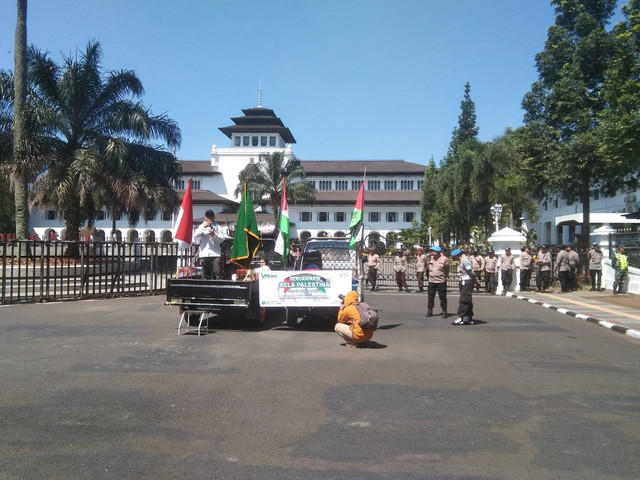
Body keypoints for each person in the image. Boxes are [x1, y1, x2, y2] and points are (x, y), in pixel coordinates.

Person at [451, 248, 478, 325]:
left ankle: (461, 317)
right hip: (465, 281)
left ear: (458, 255)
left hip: (467, 282)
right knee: (468, 300)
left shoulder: (465, 261)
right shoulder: (462, 261)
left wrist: (476, 282)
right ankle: (469, 317)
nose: (454, 259)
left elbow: (471, 273)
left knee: (464, 300)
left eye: (454, 257)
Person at [194, 210, 224, 279]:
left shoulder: (218, 227)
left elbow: (221, 240)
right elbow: (195, 235)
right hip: (204, 253)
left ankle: (218, 287)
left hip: (215, 253)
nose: (209, 218)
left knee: (217, 273)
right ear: (205, 218)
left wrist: (214, 235)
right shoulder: (201, 226)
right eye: (207, 217)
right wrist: (203, 228)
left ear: (214, 217)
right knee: (205, 274)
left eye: (211, 216)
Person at [426, 246, 450, 318]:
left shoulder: (444, 259)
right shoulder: (430, 258)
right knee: (430, 296)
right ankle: (430, 310)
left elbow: (447, 269)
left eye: (432, 251)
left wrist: (445, 276)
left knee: (442, 297)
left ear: (437, 252)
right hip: (432, 280)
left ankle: (444, 310)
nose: (431, 252)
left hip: (441, 280)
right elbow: (427, 268)